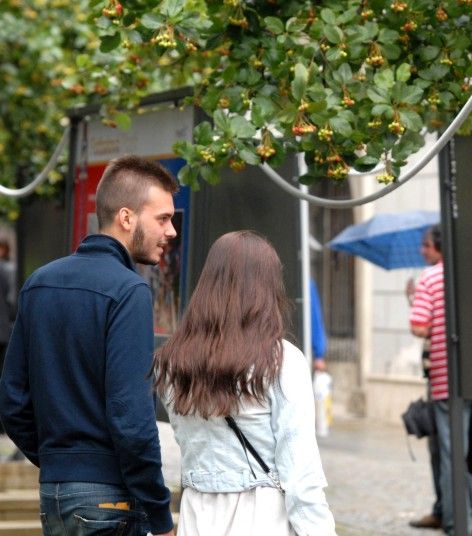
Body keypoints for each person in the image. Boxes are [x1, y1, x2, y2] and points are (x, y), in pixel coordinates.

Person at [0, 155, 178, 535]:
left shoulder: (38, 284)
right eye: (162, 218)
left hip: (56, 495)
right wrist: (161, 516)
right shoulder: (129, 291)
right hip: (109, 501)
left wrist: (62, 462)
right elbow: (132, 420)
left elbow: (13, 400)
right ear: (127, 218)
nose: (172, 231)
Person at [153, 231, 336, 536]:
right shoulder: (281, 360)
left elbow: (188, 445)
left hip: (196, 516)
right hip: (261, 519)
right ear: (267, 288)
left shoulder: (173, 362)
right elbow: (301, 474)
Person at [409, 224, 472, 535]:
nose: (422, 251)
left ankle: (451, 519)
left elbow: (419, 326)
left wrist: (416, 303)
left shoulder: (430, 277)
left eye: (426, 245)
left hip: (447, 378)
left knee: (450, 452)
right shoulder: (468, 273)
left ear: (438, 247)